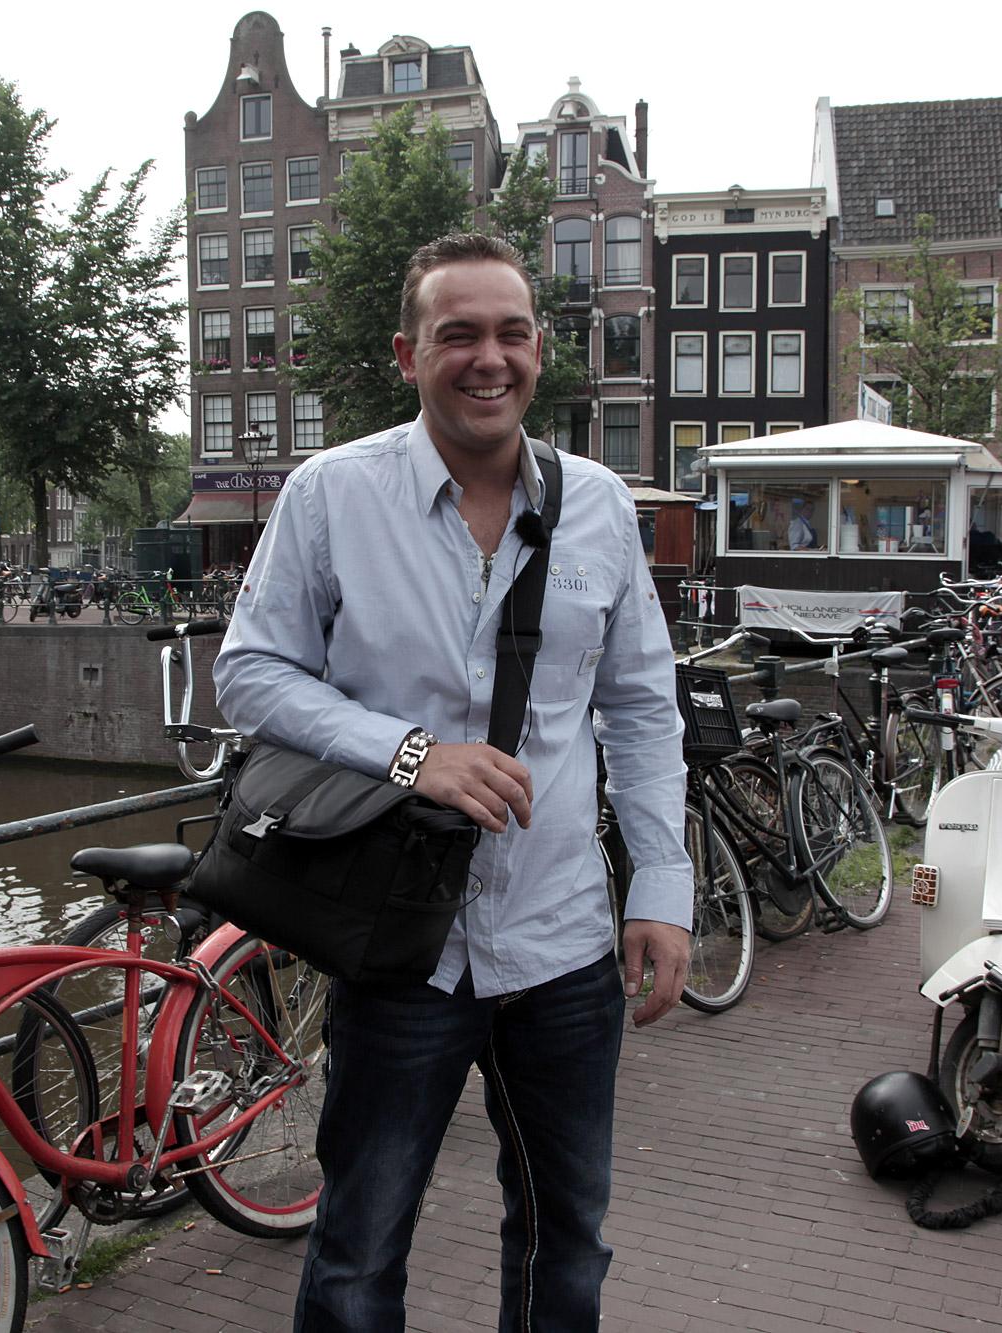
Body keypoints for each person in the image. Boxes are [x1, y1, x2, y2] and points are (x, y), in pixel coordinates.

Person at [214, 232, 693, 1332]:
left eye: (511, 333)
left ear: (540, 350)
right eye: (458, 334)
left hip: (562, 942)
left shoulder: (599, 505)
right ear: (409, 353)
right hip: (400, 949)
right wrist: (410, 752)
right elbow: (249, 672)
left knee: (567, 1239)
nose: (489, 358)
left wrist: (662, 886)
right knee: (358, 1248)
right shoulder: (332, 494)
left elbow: (640, 708)